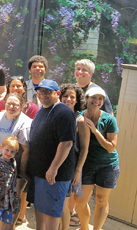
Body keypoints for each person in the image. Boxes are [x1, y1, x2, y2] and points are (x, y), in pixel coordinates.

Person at [25, 79, 76, 230]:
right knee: (40, 207)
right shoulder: (42, 110)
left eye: (47, 92)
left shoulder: (63, 113)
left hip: (55, 174)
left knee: (52, 211)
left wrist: (53, 168)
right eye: (40, 92)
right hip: (39, 171)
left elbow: (66, 143)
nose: (43, 95)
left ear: (57, 93)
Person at [74, 87, 119, 230]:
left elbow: (111, 147)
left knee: (101, 200)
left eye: (100, 99)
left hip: (108, 165)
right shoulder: (79, 116)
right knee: (80, 200)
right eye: (93, 98)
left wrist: (95, 130)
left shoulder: (109, 119)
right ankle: (85, 227)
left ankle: (97, 228)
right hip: (86, 164)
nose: (97, 101)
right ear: (86, 99)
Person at [0, 92, 32, 225]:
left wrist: (22, 172)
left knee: (14, 196)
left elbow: (27, 150)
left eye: (16, 104)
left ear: (22, 106)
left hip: (16, 168)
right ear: (4, 103)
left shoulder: (25, 123)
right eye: (9, 103)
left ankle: (10, 225)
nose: (12, 106)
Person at [58, 84, 89, 229]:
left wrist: (77, 171)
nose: (68, 99)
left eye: (72, 97)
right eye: (65, 96)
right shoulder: (57, 114)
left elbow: (84, 149)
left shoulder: (80, 120)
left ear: (77, 100)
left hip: (70, 168)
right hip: (55, 165)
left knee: (64, 204)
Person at [0, 136, 20, 230]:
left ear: (16, 152)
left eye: (12, 151)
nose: (9, 153)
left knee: (5, 219)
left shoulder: (13, 163)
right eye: (7, 150)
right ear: (1, 147)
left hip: (9, 198)